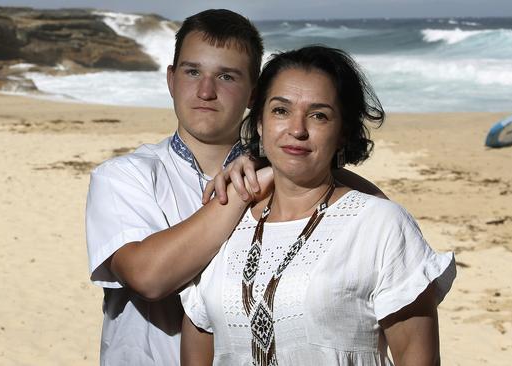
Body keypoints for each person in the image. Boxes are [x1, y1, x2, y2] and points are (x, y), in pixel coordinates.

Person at [85, 10, 385, 365]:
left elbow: (381, 228)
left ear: (253, 95)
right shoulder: (125, 176)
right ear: (171, 79)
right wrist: (254, 184)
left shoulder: (289, 181)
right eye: (192, 71)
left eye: (226, 76)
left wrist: (279, 169)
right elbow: (148, 277)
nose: (206, 91)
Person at [179, 46, 456, 366]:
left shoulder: (380, 224)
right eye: (281, 111)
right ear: (259, 122)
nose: (297, 129)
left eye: (319, 115)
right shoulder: (226, 223)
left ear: (342, 133)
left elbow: (416, 356)